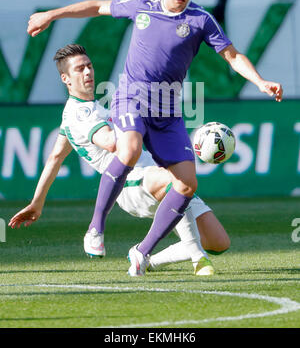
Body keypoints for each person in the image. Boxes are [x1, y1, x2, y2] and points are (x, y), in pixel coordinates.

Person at [27, 0, 283, 277]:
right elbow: (96, 6)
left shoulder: (201, 19)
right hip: (130, 98)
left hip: (168, 113)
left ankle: (143, 252)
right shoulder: (142, 6)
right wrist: (51, 14)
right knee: (129, 149)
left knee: (188, 184)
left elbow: (232, 55)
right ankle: (95, 228)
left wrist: (260, 81)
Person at [8, 44, 230, 276]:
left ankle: (147, 258)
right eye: (79, 69)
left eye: (89, 66)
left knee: (217, 241)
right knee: (176, 182)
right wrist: (137, 117)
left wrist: (37, 203)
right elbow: (112, 142)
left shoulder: (85, 110)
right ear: (65, 78)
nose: (87, 72)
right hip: (131, 182)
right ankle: (198, 259)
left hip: (151, 171)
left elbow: (55, 158)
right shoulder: (80, 114)